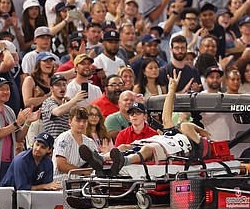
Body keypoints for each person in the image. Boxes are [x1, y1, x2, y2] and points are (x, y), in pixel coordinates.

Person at [80, 70, 212, 177]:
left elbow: (186, 126)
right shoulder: (172, 134)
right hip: (163, 143)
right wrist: (171, 89)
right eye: (132, 114)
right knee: (124, 147)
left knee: (148, 149)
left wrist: (202, 131)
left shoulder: (198, 145)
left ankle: (124, 161)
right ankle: (101, 158)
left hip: (172, 151)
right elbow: (166, 115)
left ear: (144, 116)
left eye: (138, 113)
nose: (135, 116)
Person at [0, 77, 39, 186]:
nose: (6, 92)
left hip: (9, 163)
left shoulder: (9, 111)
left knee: (5, 199)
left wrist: (27, 123)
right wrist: (17, 123)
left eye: (8, 89)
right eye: (2, 89)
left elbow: (18, 138)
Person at [52, 106, 99, 180]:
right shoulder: (64, 138)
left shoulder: (89, 142)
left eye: (84, 121)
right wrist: (83, 171)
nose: (82, 124)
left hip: (83, 181)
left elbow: (93, 164)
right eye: (78, 121)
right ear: (70, 122)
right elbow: (61, 165)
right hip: (62, 180)